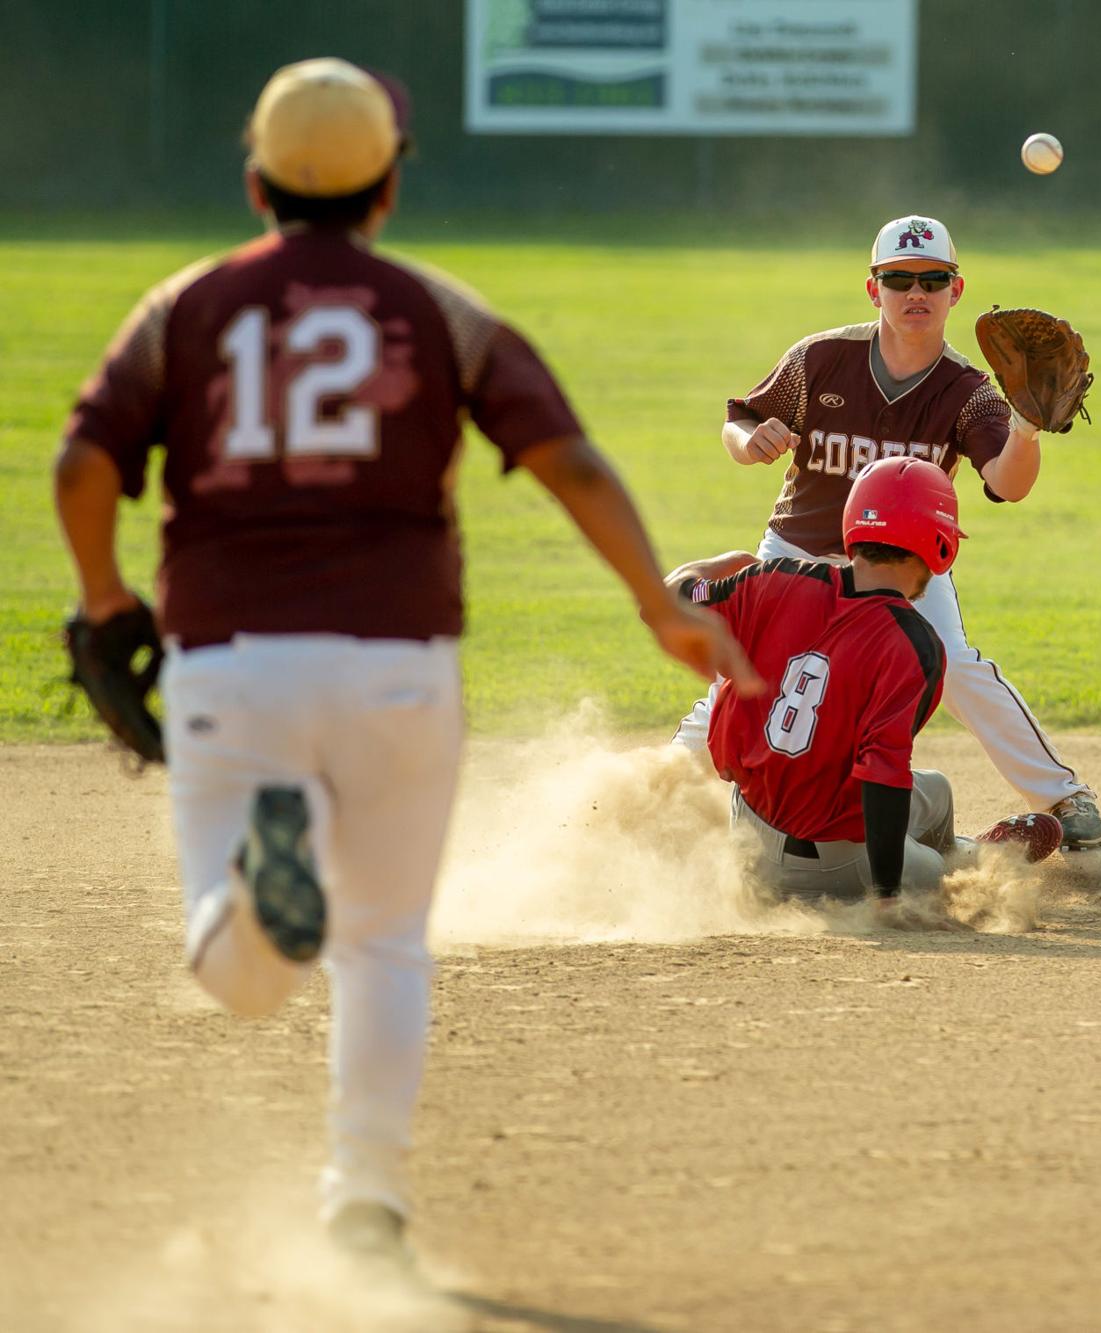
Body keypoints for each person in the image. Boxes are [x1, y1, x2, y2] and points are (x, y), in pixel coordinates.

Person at [52, 57, 761, 1264]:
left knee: (243, 974)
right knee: (382, 941)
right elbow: (572, 462)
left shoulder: (184, 306)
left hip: (231, 662)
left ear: (255, 181)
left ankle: (259, 898)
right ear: (387, 188)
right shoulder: (441, 312)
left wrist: (106, 596)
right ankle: (366, 1195)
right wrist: (659, 605)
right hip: (397, 667)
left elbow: (82, 463)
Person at [672, 215, 1101, 850]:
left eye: (933, 278)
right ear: (874, 289)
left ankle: (1062, 796)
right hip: (801, 552)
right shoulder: (821, 358)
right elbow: (740, 418)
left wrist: (1026, 428)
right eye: (899, 279)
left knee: (952, 662)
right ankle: (661, 791)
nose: (916, 292)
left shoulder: (969, 391)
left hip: (905, 567)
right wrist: (749, 440)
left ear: (956, 290)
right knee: (746, 675)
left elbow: (1008, 485)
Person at [666, 456, 1061, 912]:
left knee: (936, 791)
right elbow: (882, 776)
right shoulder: (914, 643)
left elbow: (669, 598)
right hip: (837, 867)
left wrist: (727, 564)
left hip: (746, 844)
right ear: (940, 544)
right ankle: (974, 856)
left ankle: (962, 849)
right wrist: (887, 895)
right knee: (935, 867)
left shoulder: (770, 578)